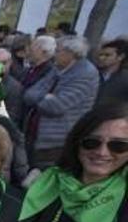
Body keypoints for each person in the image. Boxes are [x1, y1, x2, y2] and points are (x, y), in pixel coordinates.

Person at [24, 36, 100, 169]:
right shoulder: (57, 68)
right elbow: (29, 94)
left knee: (42, 178)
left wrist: (46, 98)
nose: (54, 55)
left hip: (56, 141)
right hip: (33, 133)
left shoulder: (86, 73)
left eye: (58, 51)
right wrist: (46, 96)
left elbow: (55, 106)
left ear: (71, 53)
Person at [96, 39, 128, 105]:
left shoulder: (125, 79)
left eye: (107, 55)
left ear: (120, 57)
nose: (101, 58)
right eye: (100, 54)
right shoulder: (91, 74)